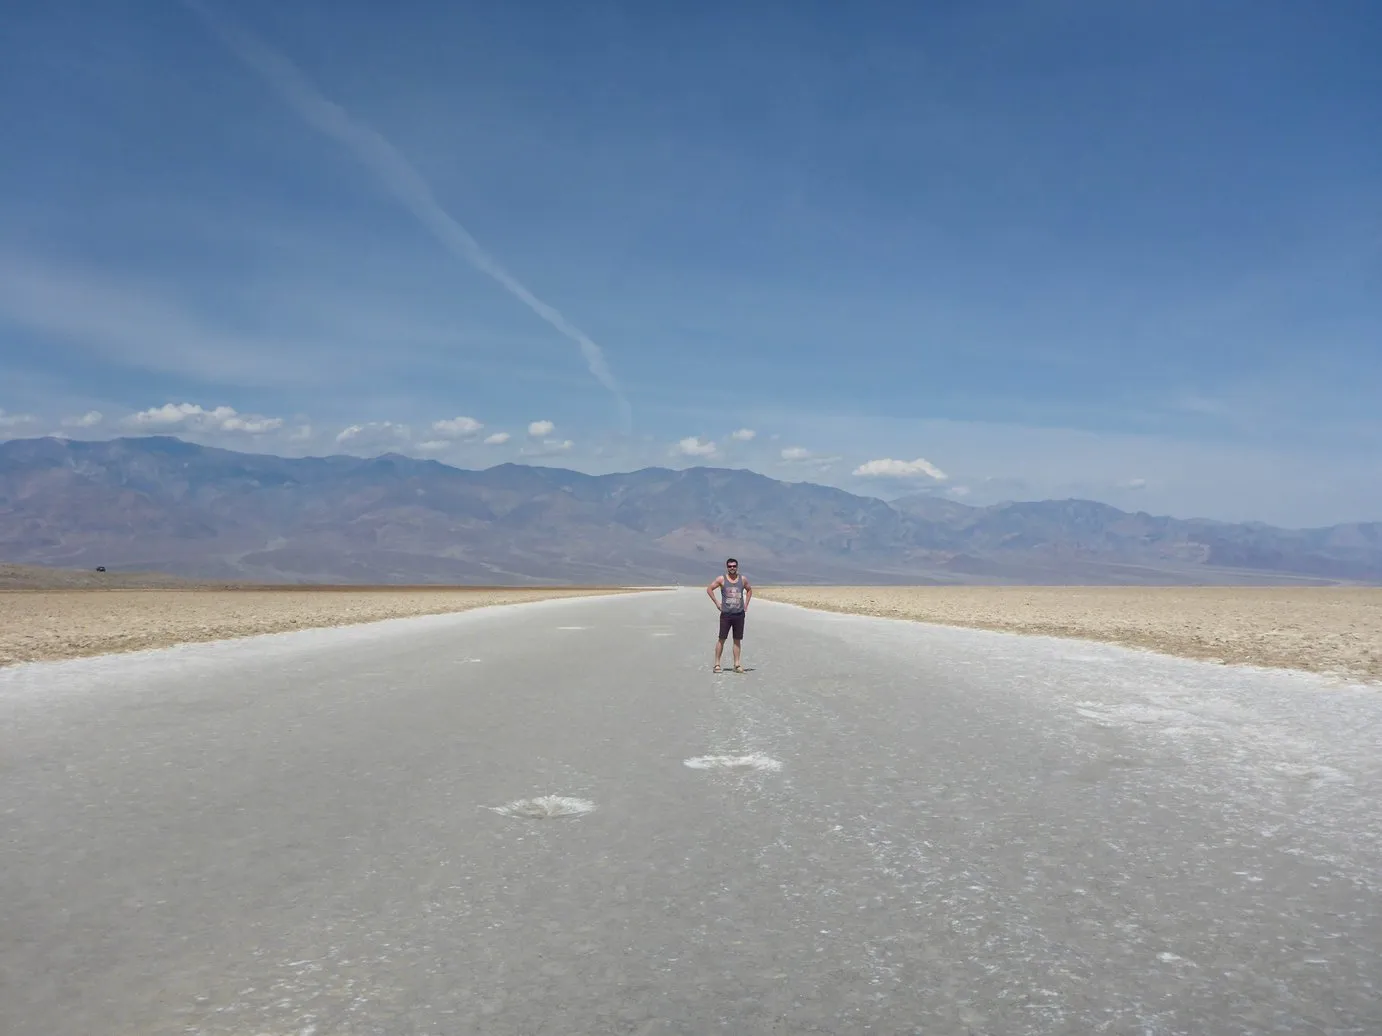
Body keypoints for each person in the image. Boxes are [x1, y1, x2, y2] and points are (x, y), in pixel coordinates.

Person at [706, 557, 751, 672]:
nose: (732, 568)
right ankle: (717, 664)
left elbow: (749, 590)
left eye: (734, 566)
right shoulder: (722, 579)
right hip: (726, 614)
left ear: (737, 567)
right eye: (730, 566)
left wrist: (746, 604)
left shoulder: (743, 579)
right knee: (722, 638)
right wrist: (717, 602)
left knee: (737, 639)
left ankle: (736, 664)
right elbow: (709, 589)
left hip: (739, 614)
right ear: (727, 567)